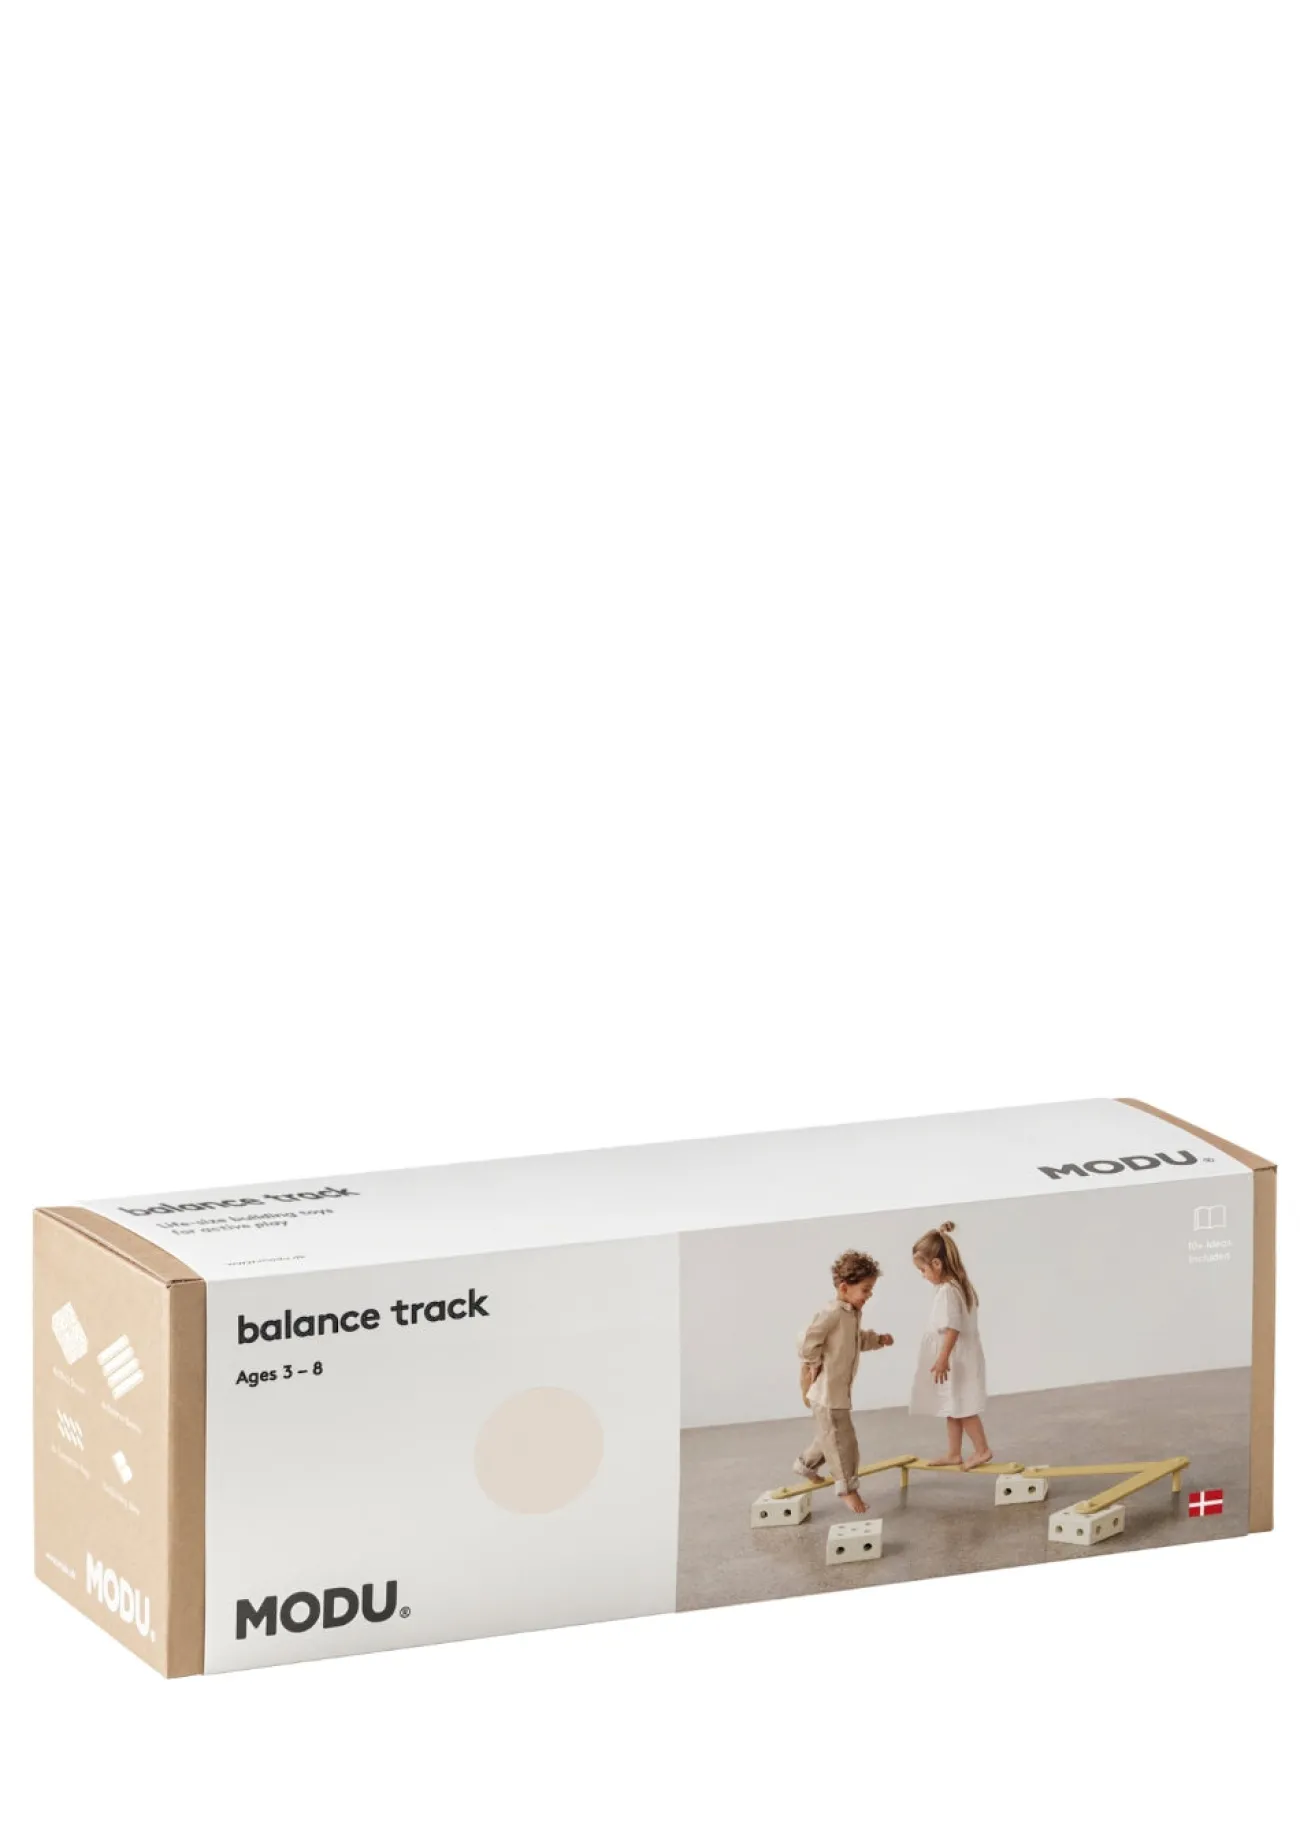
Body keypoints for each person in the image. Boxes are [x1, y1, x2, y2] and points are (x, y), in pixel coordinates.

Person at [794, 1250, 893, 1515]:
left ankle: (805, 1465)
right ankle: (847, 1489)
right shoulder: (832, 1313)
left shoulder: (851, 1313)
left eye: (871, 1290)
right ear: (844, 1287)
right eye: (865, 1290)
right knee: (843, 1442)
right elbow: (806, 1340)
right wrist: (812, 1362)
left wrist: (878, 1340)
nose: (869, 1296)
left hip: (836, 1393)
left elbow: (856, 1340)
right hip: (828, 1394)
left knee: (830, 1436)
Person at [910, 1220, 991, 1468]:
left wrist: (943, 1357)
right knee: (953, 1407)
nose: (922, 1275)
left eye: (923, 1270)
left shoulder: (948, 1290)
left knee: (964, 1408)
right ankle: (954, 1453)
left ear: (937, 1264)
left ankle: (982, 1450)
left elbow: (953, 1327)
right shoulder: (958, 1285)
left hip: (956, 1358)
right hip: (961, 1357)